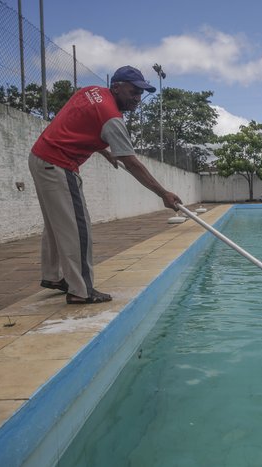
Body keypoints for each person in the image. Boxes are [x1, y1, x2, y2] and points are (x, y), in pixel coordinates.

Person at [28, 65, 182, 304]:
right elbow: (131, 163)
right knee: (77, 227)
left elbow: (80, 122)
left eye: (140, 94)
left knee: (57, 223)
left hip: (40, 157)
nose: (137, 99)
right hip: (58, 163)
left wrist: (104, 150)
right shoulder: (112, 117)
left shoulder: (91, 91)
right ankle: (81, 290)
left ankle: (53, 276)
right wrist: (163, 193)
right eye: (133, 92)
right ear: (117, 87)